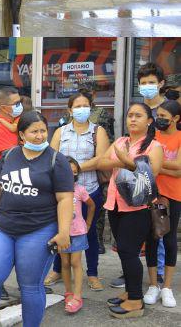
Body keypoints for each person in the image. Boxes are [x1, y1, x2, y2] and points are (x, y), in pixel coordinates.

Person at [0, 111, 74, 327]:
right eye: (34, 131)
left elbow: (65, 199)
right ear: (22, 134)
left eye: (43, 131)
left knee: (30, 286)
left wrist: (63, 232)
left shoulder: (56, 160)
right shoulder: (9, 155)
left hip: (39, 229)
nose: (40, 136)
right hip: (4, 227)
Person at [98, 102, 164, 318]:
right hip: (115, 204)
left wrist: (127, 162)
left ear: (149, 121)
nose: (132, 119)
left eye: (138, 115)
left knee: (128, 252)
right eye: (130, 116)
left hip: (137, 208)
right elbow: (104, 162)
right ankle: (130, 292)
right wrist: (121, 160)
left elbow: (150, 175)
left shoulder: (154, 147)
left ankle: (136, 301)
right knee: (124, 253)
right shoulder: (120, 141)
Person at [46, 89, 110, 290]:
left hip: (89, 190)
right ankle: (57, 269)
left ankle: (92, 273)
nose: (82, 109)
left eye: (85, 106)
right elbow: (51, 157)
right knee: (62, 230)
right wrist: (66, 170)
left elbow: (101, 159)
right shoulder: (60, 132)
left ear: (90, 108)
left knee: (88, 232)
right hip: (63, 192)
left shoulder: (97, 131)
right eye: (77, 106)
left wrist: (77, 168)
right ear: (70, 110)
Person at [145, 98, 181, 308]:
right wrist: (169, 168)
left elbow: (180, 167)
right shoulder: (152, 136)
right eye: (158, 116)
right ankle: (152, 285)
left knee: (168, 240)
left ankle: (166, 287)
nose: (159, 120)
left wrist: (156, 165)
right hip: (152, 194)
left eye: (164, 117)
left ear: (176, 118)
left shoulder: (179, 137)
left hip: (173, 196)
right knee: (151, 238)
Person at [57, 157, 97, 314]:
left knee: (75, 262)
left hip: (78, 232)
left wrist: (88, 223)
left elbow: (92, 205)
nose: (72, 175)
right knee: (64, 263)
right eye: (68, 171)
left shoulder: (80, 189)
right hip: (62, 232)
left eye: (75, 172)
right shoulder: (56, 191)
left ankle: (78, 295)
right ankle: (68, 292)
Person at [0, 87, 24, 160]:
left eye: (20, 102)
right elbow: (10, 157)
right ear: (3, 108)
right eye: (16, 103)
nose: (19, 105)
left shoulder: (18, 119)